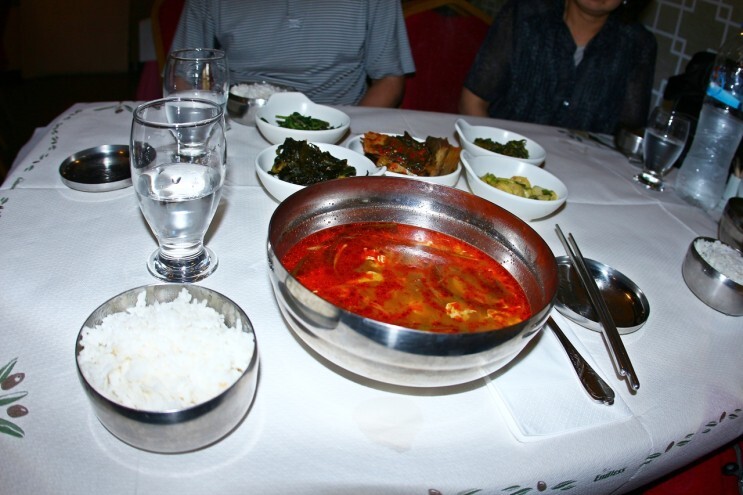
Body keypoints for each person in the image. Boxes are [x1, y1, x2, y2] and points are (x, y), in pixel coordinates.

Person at [459, 0, 657, 134]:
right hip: (503, 154)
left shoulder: (638, 44)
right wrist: (493, 152)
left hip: (584, 171)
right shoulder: (523, 15)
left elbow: (630, 132)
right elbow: (472, 101)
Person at [169, 0, 415, 108]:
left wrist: (348, 131)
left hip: (343, 121)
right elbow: (181, 76)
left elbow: (389, 79)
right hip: (242, 122)